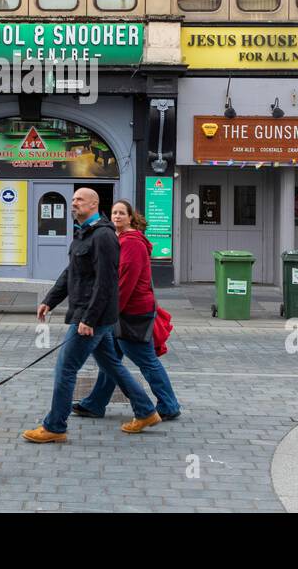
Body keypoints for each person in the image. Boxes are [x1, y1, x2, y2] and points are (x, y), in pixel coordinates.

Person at [23, 188, 160, 443]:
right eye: (72, 200)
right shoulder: (84, 232)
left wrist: (89, 319)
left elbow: (106, 283)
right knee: (111, 365)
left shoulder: (104, 236)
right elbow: (72, 272)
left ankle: (55, 426)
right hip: (93, 315)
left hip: (91, 317)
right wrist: (50, 300)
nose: (73, 203)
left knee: (65, 368)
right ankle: (146, 411)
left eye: (79, 200)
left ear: (94, 204)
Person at [73, 200, 181, 422]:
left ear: (131, 217)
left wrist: (108, 312)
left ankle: (169, 405)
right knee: (110, 360)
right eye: (114, 213)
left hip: (133, 313)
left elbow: (126, 282)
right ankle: (95, 403)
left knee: (146, 360)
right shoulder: (121, 239)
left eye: (122, 213)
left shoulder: (132, 243)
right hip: (124, 312)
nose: (117, 216)